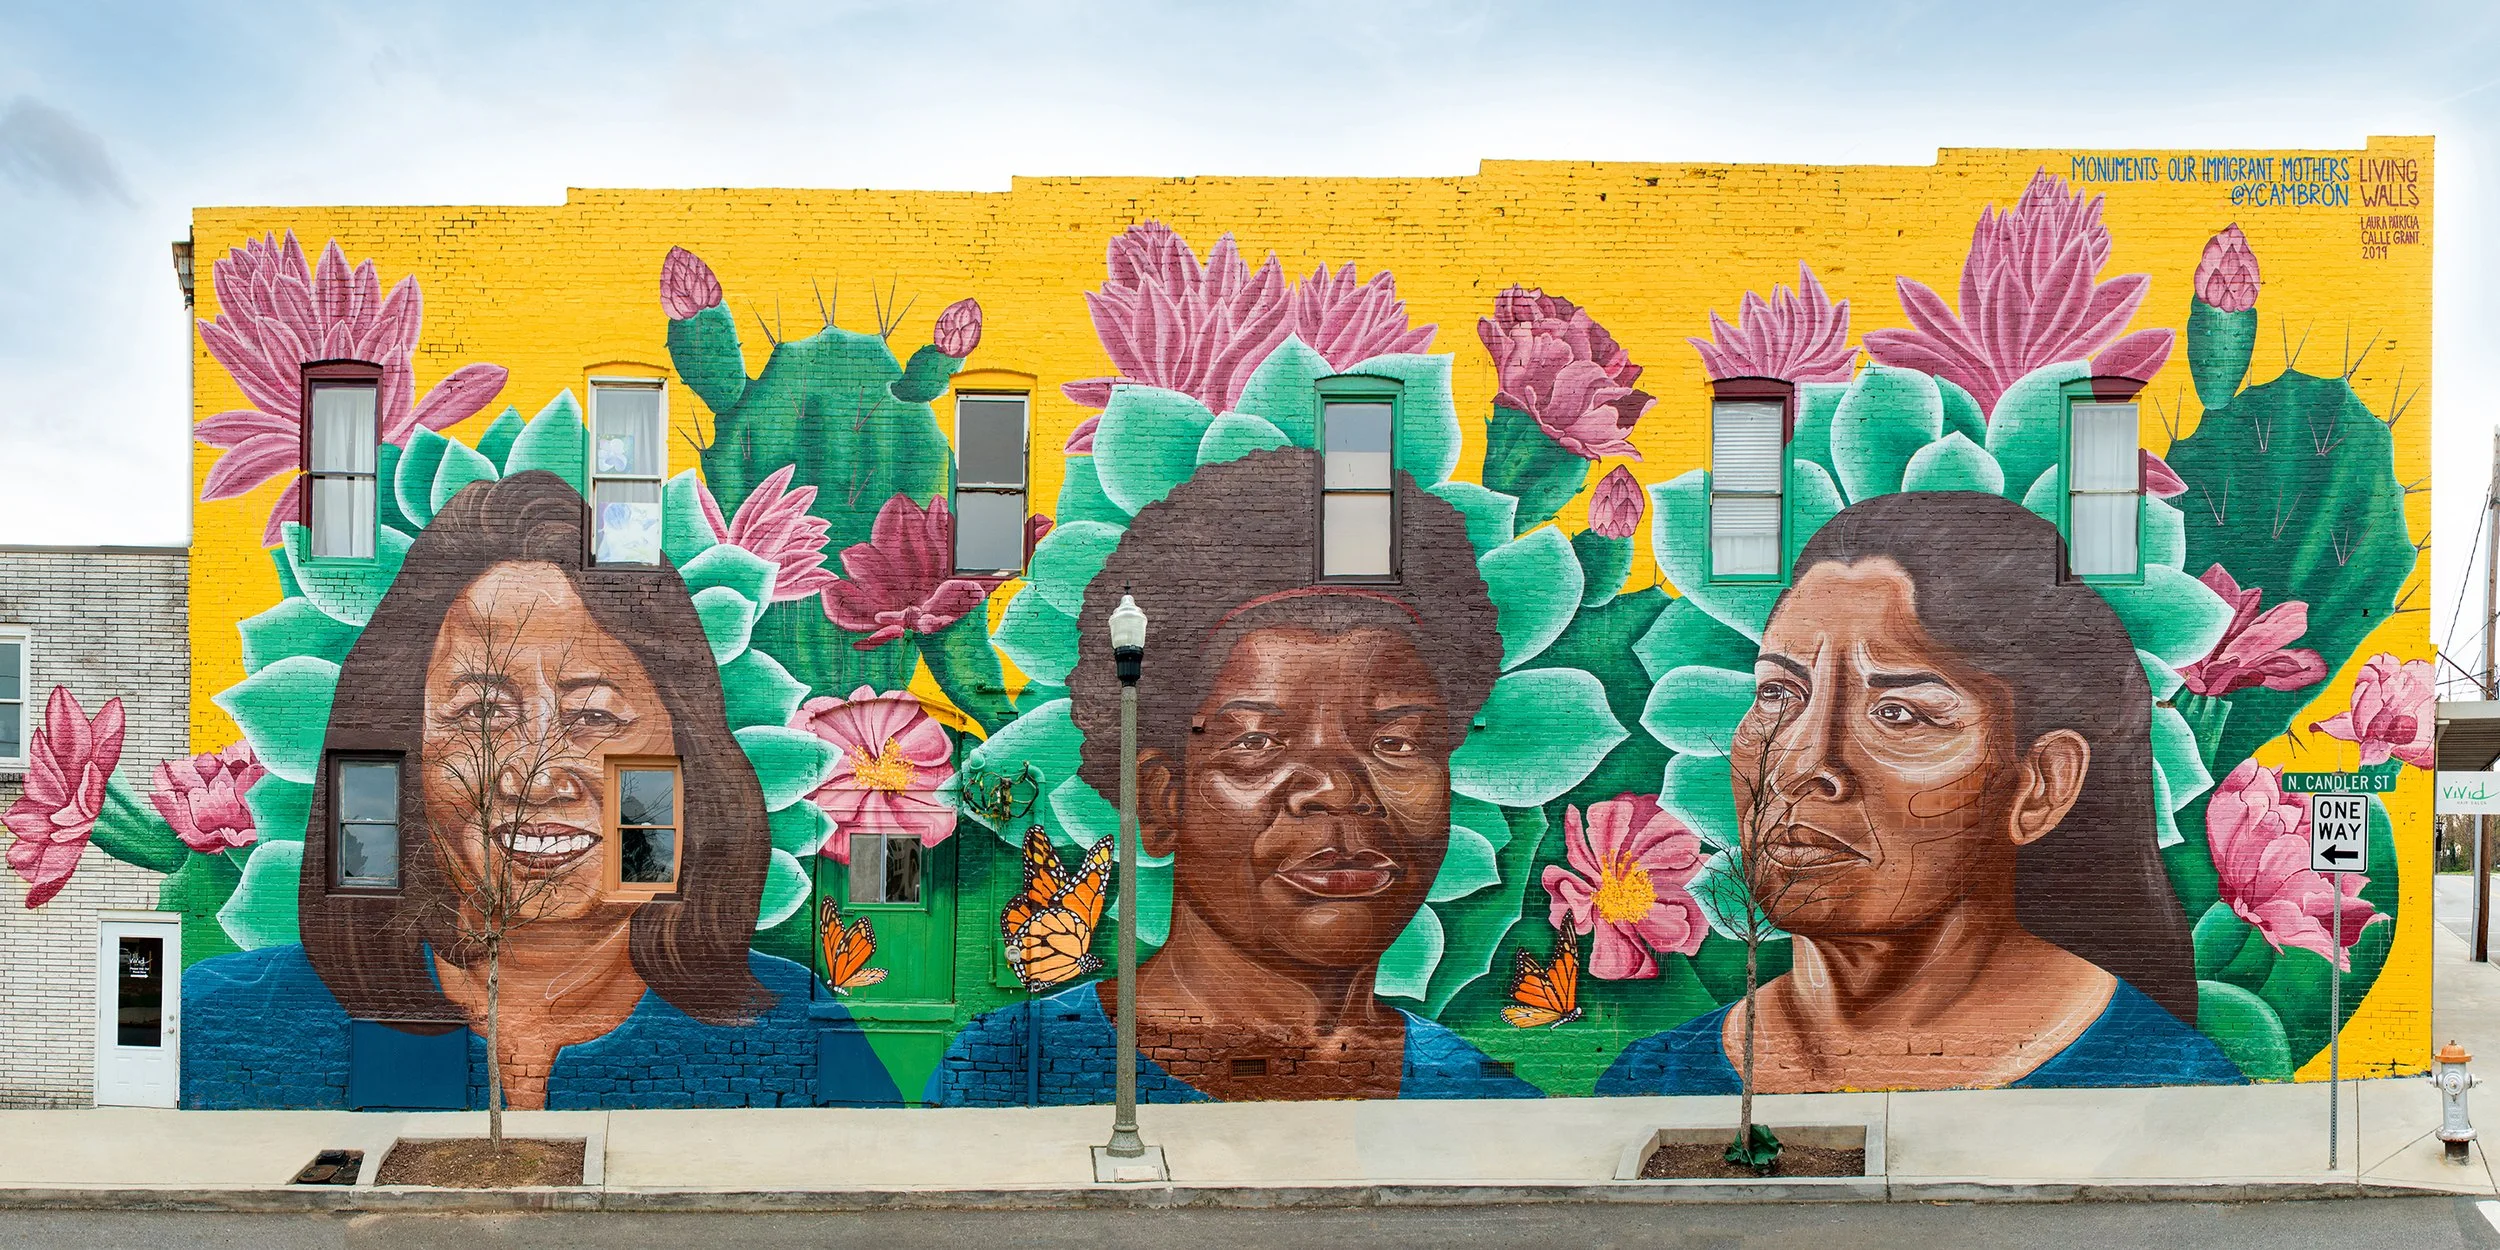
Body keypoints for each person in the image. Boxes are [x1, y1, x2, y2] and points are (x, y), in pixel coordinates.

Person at [183, 471, 895, 1110]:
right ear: (405, 759)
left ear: (686, 760)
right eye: (481, 712)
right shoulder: (224, 1021)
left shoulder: (791, 1034)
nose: (535, 772)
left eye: (594, 715)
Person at [928, 449, 1538, 1103]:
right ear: (1162, 803)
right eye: (1258, 744)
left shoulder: (1482, 1102)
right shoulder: (1012, 1071)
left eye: (1395, 742)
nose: (1337, 789)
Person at [1600, 490, 2242, 1094]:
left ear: (2041, 786)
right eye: (1778, 694)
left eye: (1901, 714)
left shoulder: (2163, 1088)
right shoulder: (1654, 1081)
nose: (1801, 764)